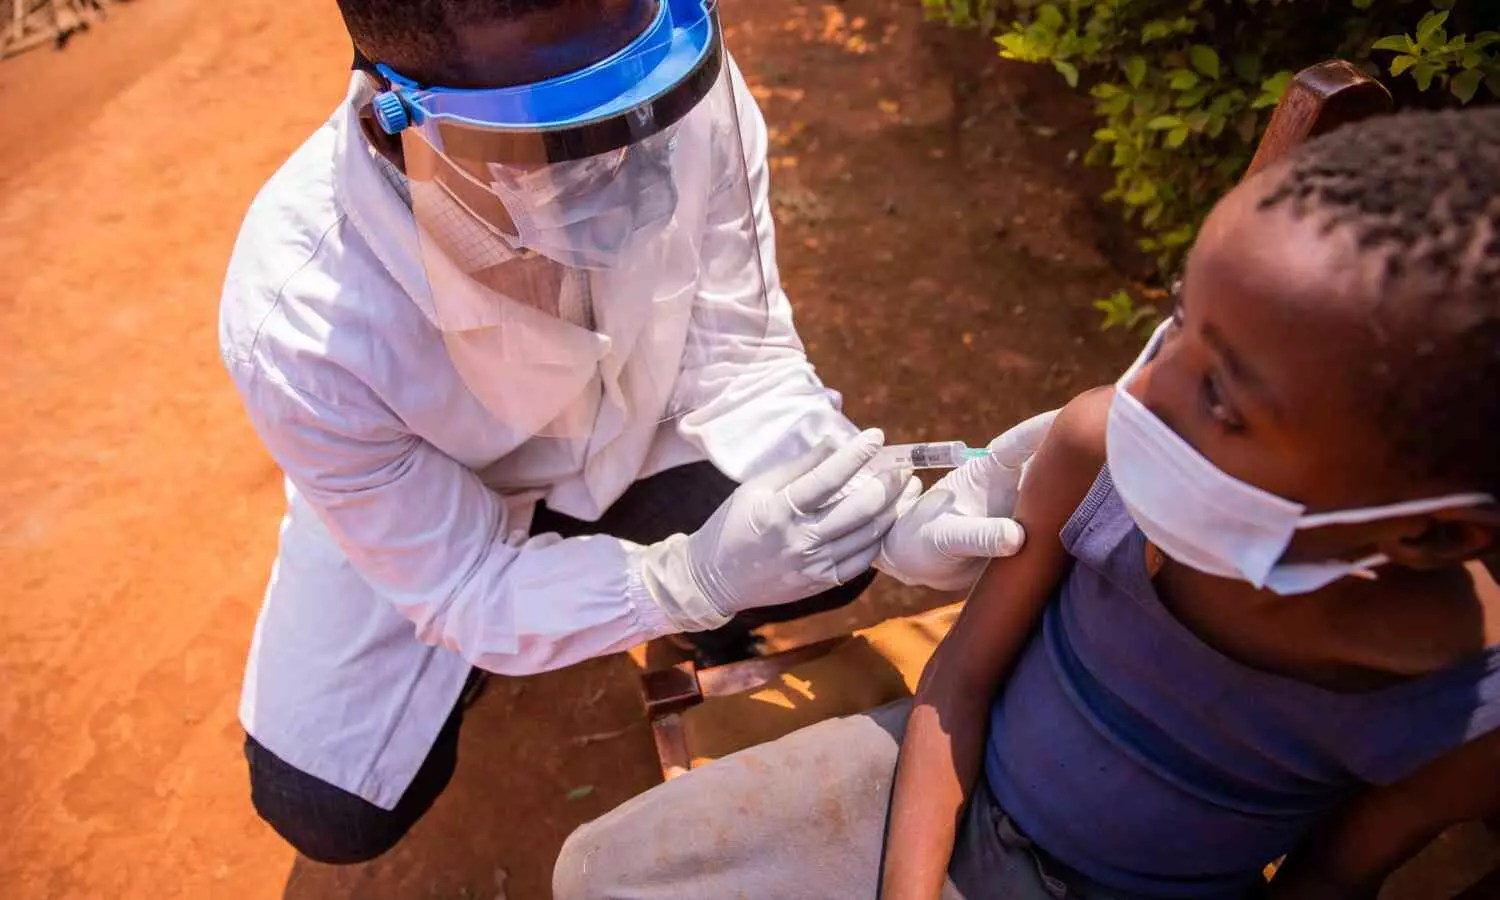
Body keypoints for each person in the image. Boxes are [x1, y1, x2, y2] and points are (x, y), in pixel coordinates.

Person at [553, 108, 1500, 900]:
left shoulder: (1463, 708)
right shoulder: (1095, 451)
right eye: (1179, 319)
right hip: (939, 780)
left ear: (1429, 531)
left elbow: (1331, 879)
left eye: (1223, 397)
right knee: (604, 872)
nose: (1144, 391)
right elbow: (959, 682)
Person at [219, 0, 1047, 866]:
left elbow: (744, 357)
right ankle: (500, 656)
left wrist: (885, 517)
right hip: (434, 508)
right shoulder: (301, 325)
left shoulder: (674, 83)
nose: (638, 161)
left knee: (824, 542)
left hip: (631, 435)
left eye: (644, 101)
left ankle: (689, 624)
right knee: (331, 811)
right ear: (394, 125)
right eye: (566, 138)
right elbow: (458, 580)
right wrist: (687, 578)